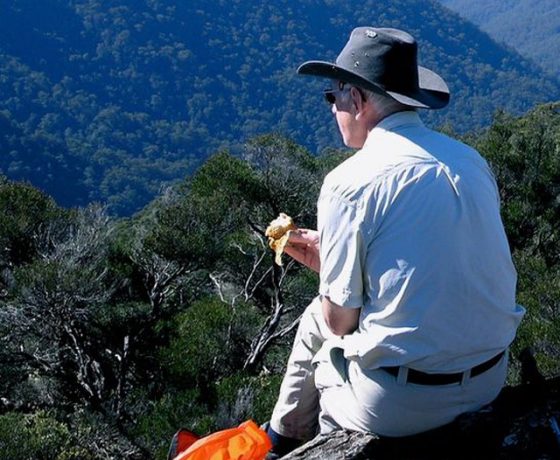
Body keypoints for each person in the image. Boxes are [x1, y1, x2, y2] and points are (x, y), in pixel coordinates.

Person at [265, 27, 525, 457]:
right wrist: (330, 260)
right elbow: (439, 270)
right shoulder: (471, 161)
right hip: (489, 381)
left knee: (317, 318)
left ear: (358, 99)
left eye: (334, 97)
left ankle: (282, 443)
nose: (332, 108)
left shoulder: (348, 183)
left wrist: (331, 274)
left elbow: (339, 322)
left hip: (400, 405)